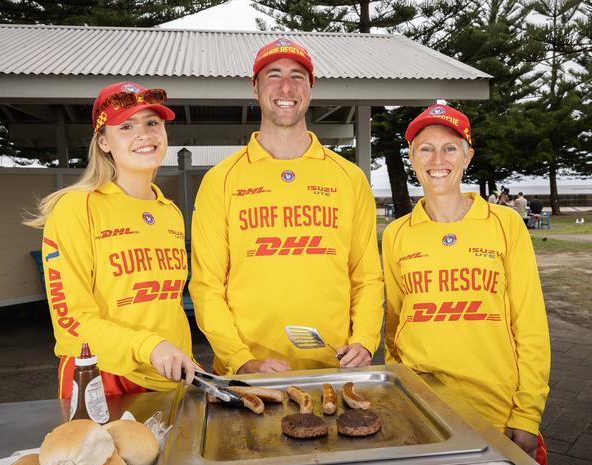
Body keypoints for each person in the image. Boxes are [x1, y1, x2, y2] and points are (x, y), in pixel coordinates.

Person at [189, 38, 384, 375]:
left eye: (297, 76)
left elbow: (367, 277)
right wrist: (241, 360)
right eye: (273, 75)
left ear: (310, 87)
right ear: (255, 87)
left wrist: (365, 340)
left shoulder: (348, 178)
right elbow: (207, 286)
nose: (285, 86)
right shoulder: (221, 180)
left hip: (331, 368)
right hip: (247, 375)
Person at [382, 104, 550, 465]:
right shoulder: (396, 234)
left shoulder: (505, 224)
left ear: (467, 156)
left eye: (450, 147)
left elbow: (531, 326)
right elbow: (394, 327)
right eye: (425, 148)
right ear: (412, 158)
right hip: (423, 408)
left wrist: (527, 413)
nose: (437, 158)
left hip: (496, 412)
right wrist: (399, 397)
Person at [25, 81, 197, 397]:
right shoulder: (77, 208)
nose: (144, 134)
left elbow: (166, 305)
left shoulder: (170, 212)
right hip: (103, 375)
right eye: (126, 126)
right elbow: (71, 323)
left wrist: (181, 356)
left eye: (152, 123)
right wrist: (151, 346)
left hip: (168, 376)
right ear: (103, 142)